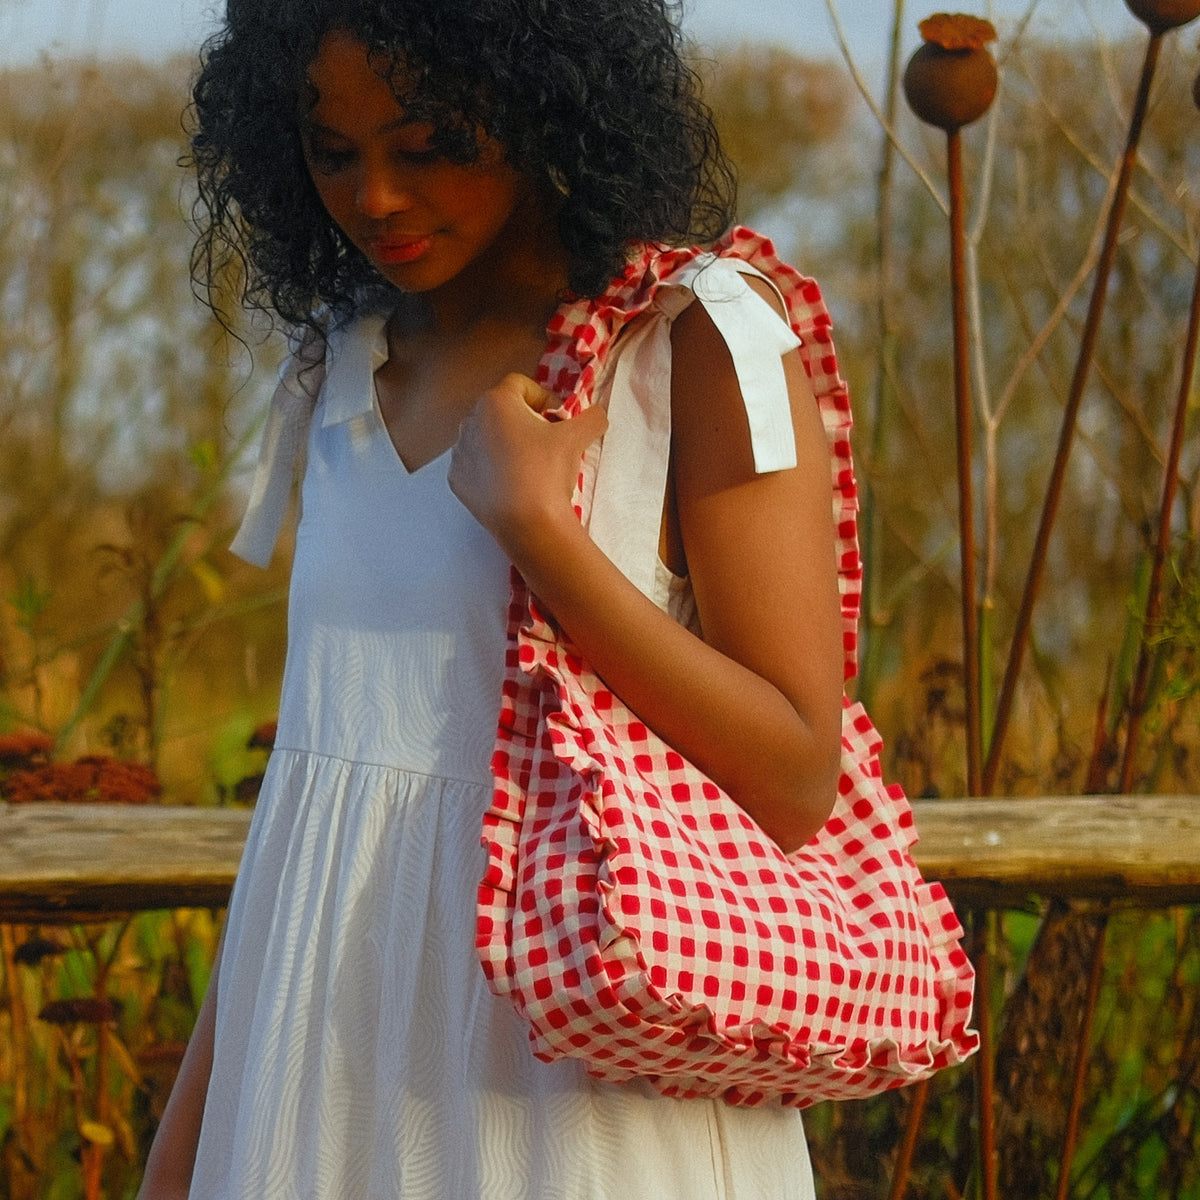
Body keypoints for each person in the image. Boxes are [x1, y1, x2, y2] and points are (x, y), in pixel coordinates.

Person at [139, 0, 853, 1196]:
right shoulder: (340, 364)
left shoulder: (700, 338)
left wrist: (540, 533)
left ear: (544, 104)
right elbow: (316, 802)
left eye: (429, 145)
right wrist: (187, 1144)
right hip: (322, 1086)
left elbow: (792, 776)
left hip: (578, 1089)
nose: (375, 198)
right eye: (334, 151)